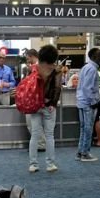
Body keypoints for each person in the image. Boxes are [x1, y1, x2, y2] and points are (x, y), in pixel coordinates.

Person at [26, 45, 62, 173]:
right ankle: (50, 164)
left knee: (34, 135)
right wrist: (53, 103)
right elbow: (57, 88)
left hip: (35, 105)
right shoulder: (56, 70)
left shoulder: (33, 69)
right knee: (49, 135)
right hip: (48, 105)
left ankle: (33, 164)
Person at [75, 48, 100, 162]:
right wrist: (93, 102)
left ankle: (80, 151)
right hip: (88, 103)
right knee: (88, 128)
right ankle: (85, 153)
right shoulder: (92, 69)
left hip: (82, 102)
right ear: (94, 57)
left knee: (83, 128)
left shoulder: (85, 67)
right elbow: (88, 88)